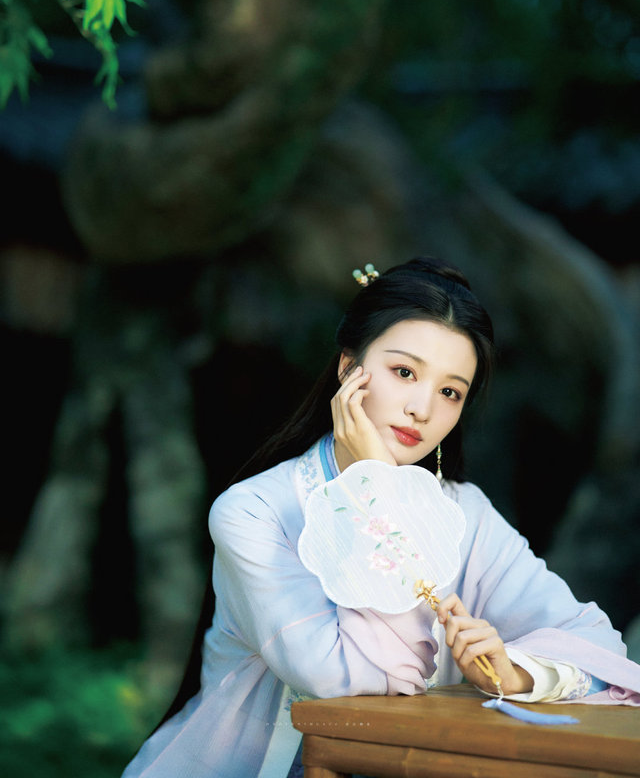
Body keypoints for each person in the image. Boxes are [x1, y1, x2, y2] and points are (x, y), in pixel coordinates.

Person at [122, 256, 640, 778]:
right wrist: (376, 485)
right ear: (349, 368)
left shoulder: (466, 514)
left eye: (450, 392)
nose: (422, 408)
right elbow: (343, 678)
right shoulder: (253, 512)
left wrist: (516, 674)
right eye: (405, 372)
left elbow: (597, 644)